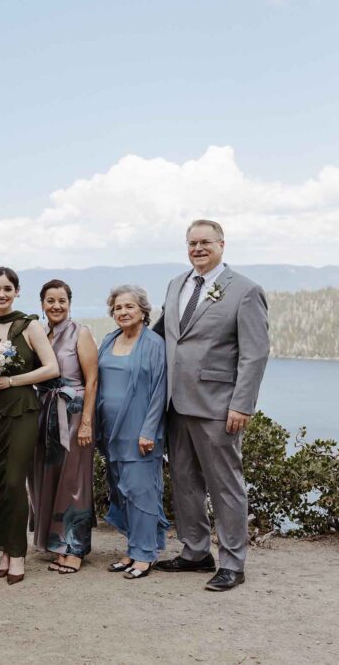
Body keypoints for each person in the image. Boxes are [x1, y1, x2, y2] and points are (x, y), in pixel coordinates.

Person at [155, 219, 269, 592]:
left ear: (222, 244)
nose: (198, 248)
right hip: (175, 402)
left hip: (218, 406)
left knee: (225, 486)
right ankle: (195, 552)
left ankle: (233, 563)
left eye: (205, 242)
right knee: (184, 482)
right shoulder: (176, 284)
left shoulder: (245, 291)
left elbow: (254, 354)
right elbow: (164, 333)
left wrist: (242, 405)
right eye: (192, 243)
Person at [0, 267, 59, 585]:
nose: (2, 294)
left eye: (8, 288)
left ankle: (18, 554)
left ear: (17, 292)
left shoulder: (30, 325)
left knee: (13, 482)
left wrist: (11, 380)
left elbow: (51, 368)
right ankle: (5, 551)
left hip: (22, 408)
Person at [97, 285, 169, 580]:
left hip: (140, 431)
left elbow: (160, 391)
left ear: (143, 311)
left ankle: (145, 554)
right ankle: (133, 548)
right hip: (110, 431)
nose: (123, 312)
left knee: (141, 491)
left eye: (129, 306)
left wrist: (149, 431)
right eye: (118, 307)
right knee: (122, 491)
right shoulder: (109, 339)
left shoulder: (154, 343)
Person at [29, 279, 99, 575]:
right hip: (44, 411)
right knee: (48, 478)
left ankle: (75, 548)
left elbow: (92, 380)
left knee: (74, 481)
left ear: (70, 303)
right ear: (42, 304)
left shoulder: (80, 333)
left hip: (73, 413)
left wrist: (86, 423)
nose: (56, 306)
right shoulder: (39, 335)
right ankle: (56, 543)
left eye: (62, 301)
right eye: (50, 301)